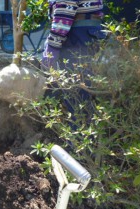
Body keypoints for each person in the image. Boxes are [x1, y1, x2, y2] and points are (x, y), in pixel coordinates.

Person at [42, 0, 106, 130]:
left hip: (78, 34)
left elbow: (65, 8)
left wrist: (52, 46)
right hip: (86, 32)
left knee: (76, 94)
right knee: (82, 91)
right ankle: (84, 142)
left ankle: (79, 146)